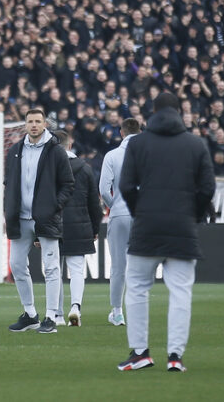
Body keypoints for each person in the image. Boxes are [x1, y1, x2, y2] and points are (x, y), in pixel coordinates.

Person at [117, 92, 216, 373]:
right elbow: (208, 188)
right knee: (181, 291)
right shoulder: (196, 144)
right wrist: (192, 215)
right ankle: (175, 356)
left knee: (136, 287)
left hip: (147, 226)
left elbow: (126, 187)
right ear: (179, 111)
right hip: (182, 227)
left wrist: (141, 212)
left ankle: (140, 353)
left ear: (153, 111)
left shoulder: (137, 144)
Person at [4, 108, 74, 334]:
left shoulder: (55, 151)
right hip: (20, 218)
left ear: (45, 124)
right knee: (16, 265)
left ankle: (51, 316)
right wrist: (9, 211)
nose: (34, 125)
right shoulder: (15, 150)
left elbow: (68, 184)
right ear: (24, 125)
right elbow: (9, 183)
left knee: (52, 268)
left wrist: (54, 206)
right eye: (30, 121)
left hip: (46, 217)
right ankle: (30, 313)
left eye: (37, 121)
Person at [54, 130, 102, 327]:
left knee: (54, 271)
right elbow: (94, 203)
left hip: (54, 225)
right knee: (76, 270)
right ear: (70, 145)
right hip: (80, 225)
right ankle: (75, 307)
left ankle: (56, 314)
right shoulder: (85, 168)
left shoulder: (49, 169)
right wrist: (95, 227)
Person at [99, 117, 140, 326]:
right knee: (141, 264)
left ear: (121, 133)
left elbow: (103, 189)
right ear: (139, 132)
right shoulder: (147, 155)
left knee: (118, 266)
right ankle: (138, 309)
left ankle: (117, 312)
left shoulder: (112, 155)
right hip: (142, 215)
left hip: (120, 213)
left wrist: (113, 205)